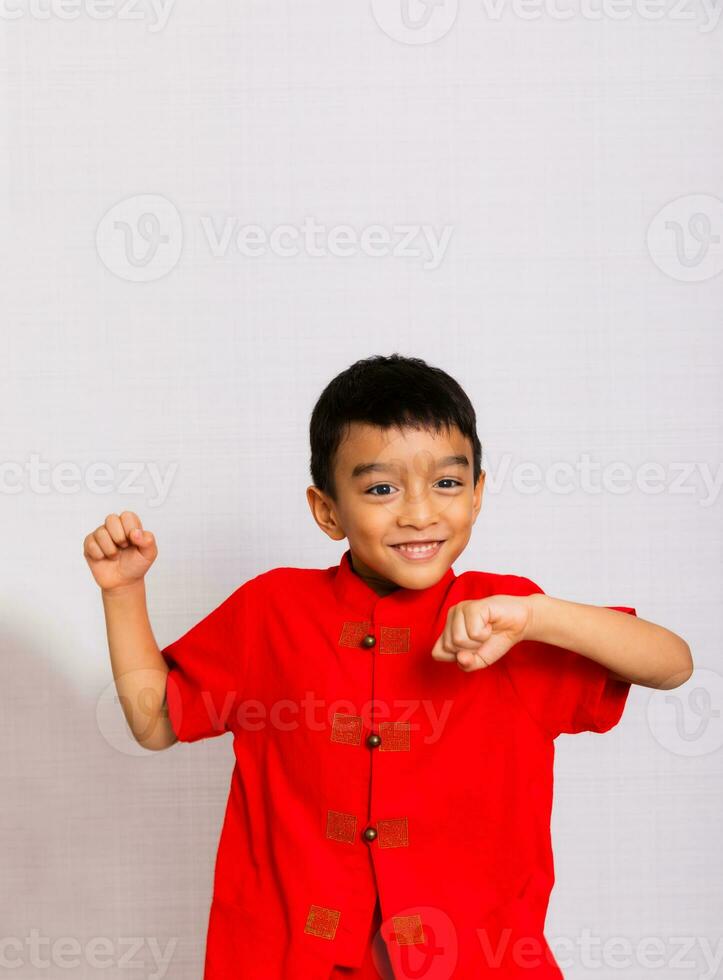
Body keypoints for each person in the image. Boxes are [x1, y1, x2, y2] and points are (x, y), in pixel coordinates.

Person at [84, 353, 693, 979]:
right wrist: (123, 594)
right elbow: (155, 722)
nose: (419, 512)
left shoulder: (508, 616)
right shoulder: (272, 612)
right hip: (289, 959)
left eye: (448, 484)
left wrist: (538, 617)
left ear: (479, 494)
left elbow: (672, 664)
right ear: (327, 511)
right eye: (381, 488)